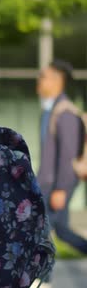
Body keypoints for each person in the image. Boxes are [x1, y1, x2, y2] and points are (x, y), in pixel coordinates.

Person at [37, 59, 87, 254]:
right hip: (48, 185)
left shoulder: (65, 113)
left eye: (43, 77)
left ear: (57, 81)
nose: (38, 81)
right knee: (61, 231)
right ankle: (40, 277)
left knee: (40, 232)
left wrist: (61, 189)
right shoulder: (49, 111)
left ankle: (40, 278)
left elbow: (68, 155)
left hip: (55, 187)